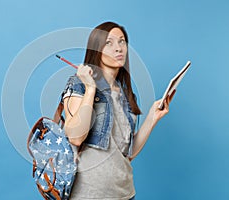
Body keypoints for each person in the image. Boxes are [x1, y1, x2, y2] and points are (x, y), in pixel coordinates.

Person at [61, 21, 175, 200]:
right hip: (89, 194)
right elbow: (75, 137)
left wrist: (153, 116)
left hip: (125, 193)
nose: (118, 48)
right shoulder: (79, 84)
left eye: (122, 41)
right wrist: (91, 88)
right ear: (96, 49)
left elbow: (127, 154)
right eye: (109, 43)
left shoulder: (125, 94)